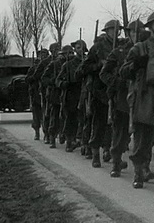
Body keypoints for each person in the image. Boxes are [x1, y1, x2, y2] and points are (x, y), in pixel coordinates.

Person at [120, 10, 154, 190]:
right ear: (150, 27)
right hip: (144, 97)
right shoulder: (140, 48)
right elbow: (124, 72)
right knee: (142, 139)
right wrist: (136, 65)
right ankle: (139, 172)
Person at [100, 19, 146, 178]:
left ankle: (142, 168)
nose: (136, 35)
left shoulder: (148, 50)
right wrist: (117, 83)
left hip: (144, 97)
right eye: (133, 32)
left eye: (139, 32)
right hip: (122, 98)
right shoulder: (119, 52)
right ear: (128, 34)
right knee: (120, 133)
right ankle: (116, 162)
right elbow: (104, 73)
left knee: (143, 136)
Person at [77, 20, 122, 167]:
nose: (115, 33)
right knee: (99, 123)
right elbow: (84, 68)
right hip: (99, 90)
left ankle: (110, 151)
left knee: (115, 125)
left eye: (117, 30)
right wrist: (99, 65)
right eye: (112, 30)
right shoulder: (97, 48)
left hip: (116, 89)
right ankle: (95, 153)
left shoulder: (121, 47)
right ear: (106, 31)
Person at [42, 44, 72, 148]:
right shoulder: (54, 64)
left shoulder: (71, 64)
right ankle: (52, 137)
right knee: (54, 116)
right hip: (55, 94)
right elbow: (44, 78)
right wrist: (54, 81)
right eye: (66, 54)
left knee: (66, 117)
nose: (68, 56)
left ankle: (65, 136)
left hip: (67, 94)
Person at [57, 42, 84, 152]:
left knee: (83, 119)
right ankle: (69, 140)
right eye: (78, 48)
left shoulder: (86, 62)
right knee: (70, 119)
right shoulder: (67, 65)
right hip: (71, 94)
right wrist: (63, 84)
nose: (80, 51)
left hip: (83, 93)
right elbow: (58, 80)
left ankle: (82, 141)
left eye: (82, 48)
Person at [33, 42, 60, 144]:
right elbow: (38, 76)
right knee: (47, 113)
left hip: (58, 91)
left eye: (58, 49)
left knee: (58, 114)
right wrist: (49, 82)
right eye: (56, 50)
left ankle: (56, 133)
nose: (57, 52)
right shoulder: (45, 63)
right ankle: (47, 134)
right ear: (52, 51)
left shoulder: (60, 61)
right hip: (46, 91)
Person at [25, 48, 49, 140]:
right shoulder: (33, 68)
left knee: (46, 115)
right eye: (41, 55)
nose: (43, 56)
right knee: (36, 115)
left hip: (45, 94)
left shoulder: (47, 66)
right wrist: (34, 77)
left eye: (44, 55)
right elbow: (27, 80)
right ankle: (37, 132)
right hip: (35, 94)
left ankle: (47, 134)